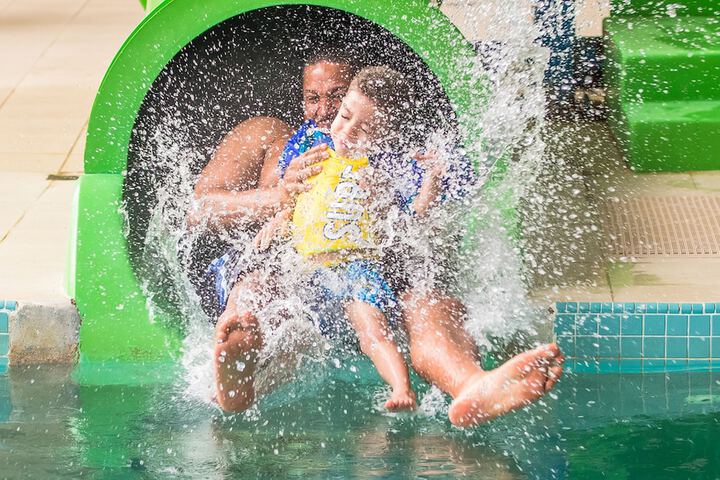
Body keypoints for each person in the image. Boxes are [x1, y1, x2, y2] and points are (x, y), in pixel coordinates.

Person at [210, 61, 565, 426]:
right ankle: (238, 363)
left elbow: (424, 235)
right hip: (307, 277)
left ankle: (472, 387)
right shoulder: (308, 145)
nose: (332, 117)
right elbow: (278, 210)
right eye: (320, 102)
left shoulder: (407, 162)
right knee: (258, 286)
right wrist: (282, 199)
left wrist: (398, 200)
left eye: (337, 99)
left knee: (427, 305)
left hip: (370, 283)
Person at [251, 66, 448, 411]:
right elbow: (296, 199)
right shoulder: (312, 148)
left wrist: (428, 183)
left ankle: (401, 388)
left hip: (357, 269)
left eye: (365, 130)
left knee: (371, 328)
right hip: (306, 271)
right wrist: (279, 220)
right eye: (344, 117)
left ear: (383, 138)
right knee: (290, 336)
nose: (347, 131)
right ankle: (247, 393)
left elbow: (412, 220)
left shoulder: (379, 172)